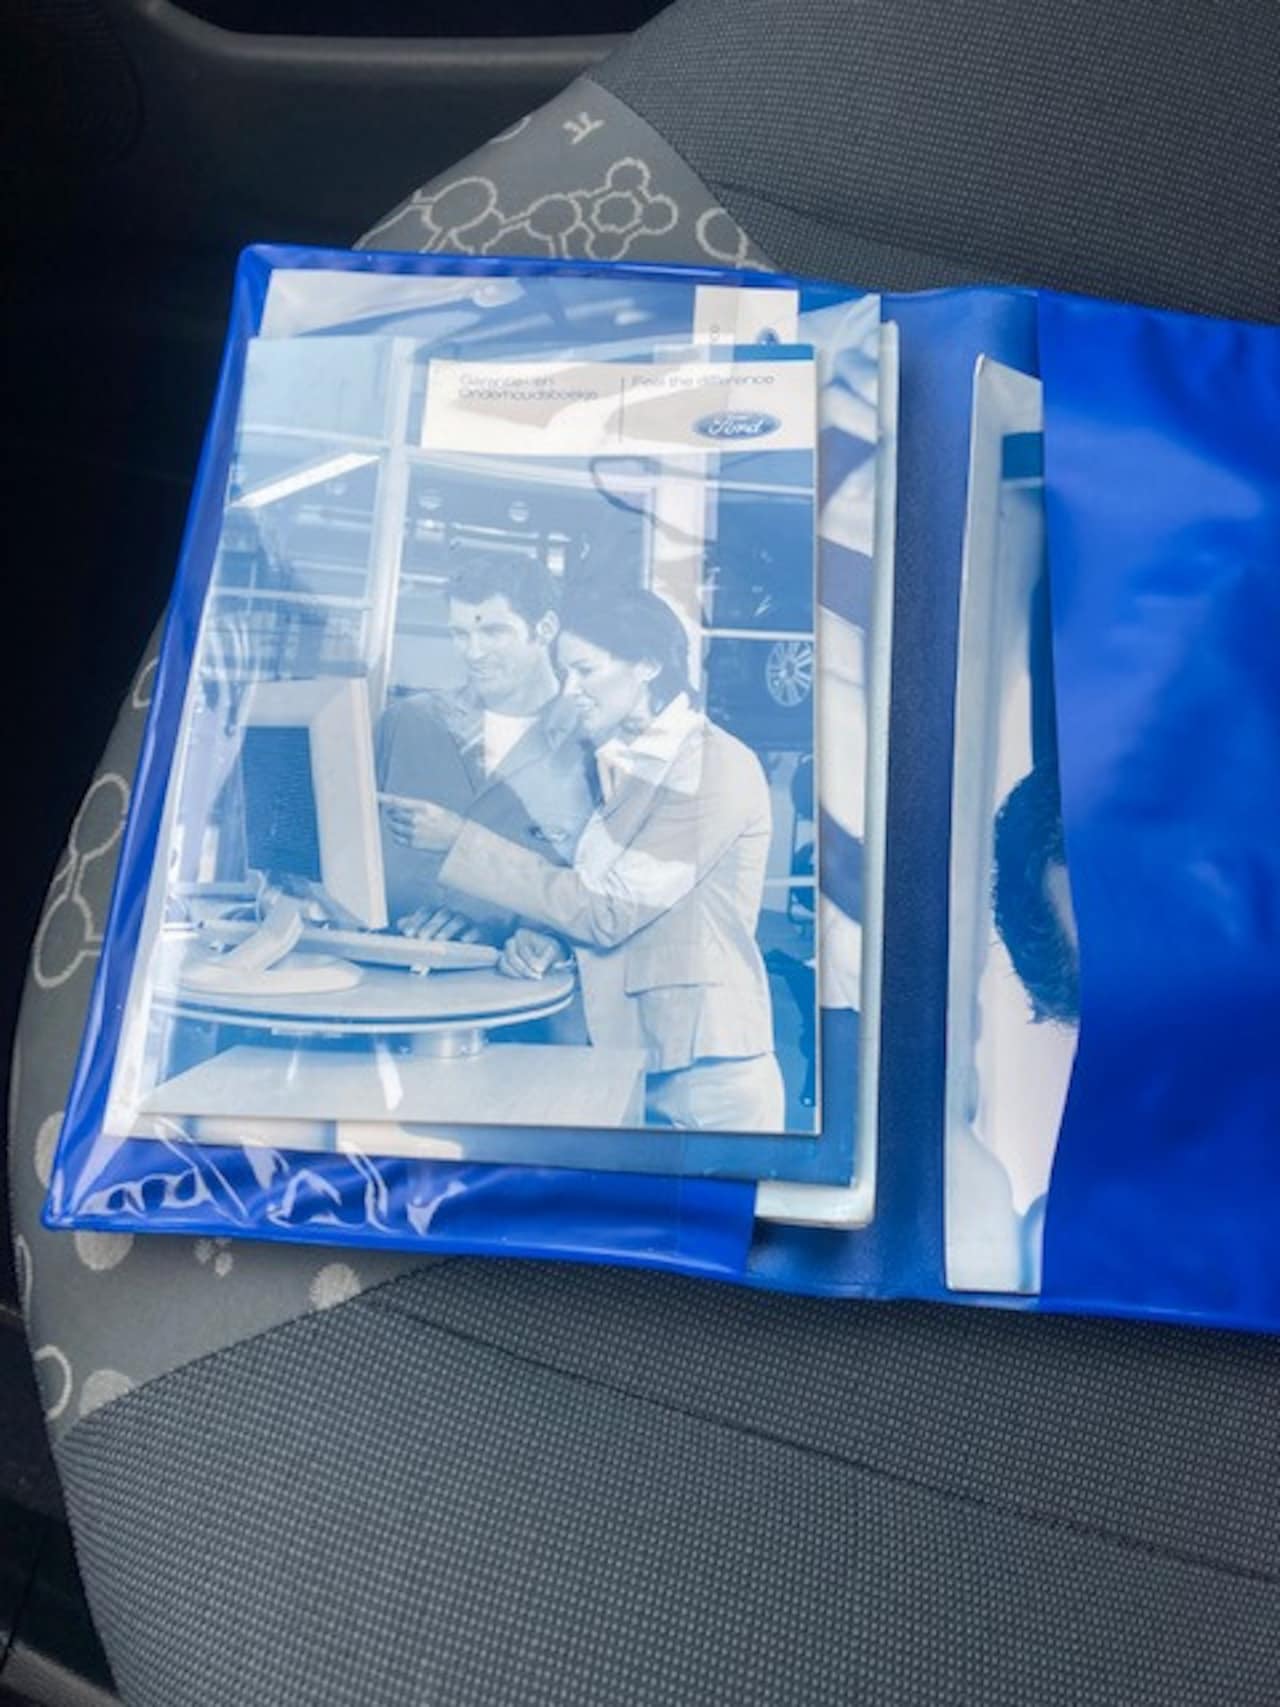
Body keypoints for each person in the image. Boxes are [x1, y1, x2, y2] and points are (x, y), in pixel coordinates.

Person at [385, 586, 786, 1133]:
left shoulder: (714, 766)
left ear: (647, 665)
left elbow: (609, 909)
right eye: (564, 673)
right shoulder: (616, 761)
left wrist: (459, 839)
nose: (570, 690)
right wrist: (549, 939)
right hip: (617, 1055)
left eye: (586, 670)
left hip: (701, 1076)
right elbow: (597, 887)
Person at [376, 551, 596, 943]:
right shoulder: (406, 722)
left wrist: (543, 940)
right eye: (460, 634)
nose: (473, 653)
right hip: (380, 963)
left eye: (494, 632)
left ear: (545, 629)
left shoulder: (595, 746)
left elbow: (606, 900)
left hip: (510, 975)